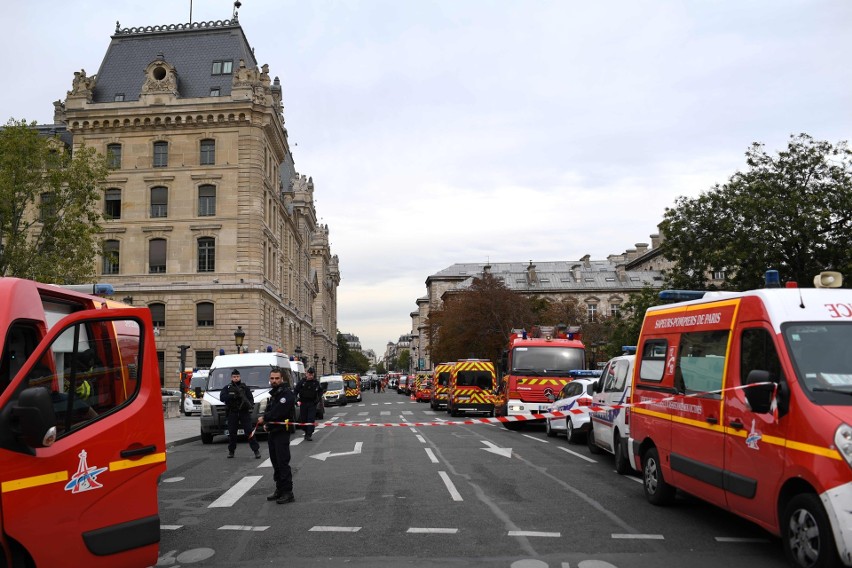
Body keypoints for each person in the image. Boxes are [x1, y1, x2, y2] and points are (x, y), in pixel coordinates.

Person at [257, 366, 295, 504]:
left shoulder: (286, 394)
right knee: (275, 462)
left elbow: (278, 412)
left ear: (282, 379)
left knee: (283, 462)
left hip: (282, 433)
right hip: (273, 432)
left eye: (277, 378)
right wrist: (268, 424)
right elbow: (271, 409)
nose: (274, 381)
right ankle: (279, 489)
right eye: (272, 378)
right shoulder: (275, 394)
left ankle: (288, 492)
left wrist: (264, 418)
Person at [219, 369, 261, 459]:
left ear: (240, 377)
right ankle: (231, 451)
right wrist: (232, 396)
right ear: (231, 378)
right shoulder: (227, 388)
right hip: (232, 412)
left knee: (249, 431)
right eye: (234, 377)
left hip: (243, 412)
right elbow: (222, 398)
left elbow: (251, 400)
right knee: (232, 433)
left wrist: (246, 404)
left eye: (237, 377)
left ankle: (256, 451)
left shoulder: (245, 388)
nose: (236, 378)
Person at [294, 366, 323, 441]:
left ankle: (309, 434)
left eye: (311, 374)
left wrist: (318, 399)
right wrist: (295, 399)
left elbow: (320, 391)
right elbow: (296, 390)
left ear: (313, 375)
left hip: (312, 403)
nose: (310, 376)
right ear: (306, 374)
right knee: (303, 419)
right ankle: (306, 431)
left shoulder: (316, 382)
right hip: (303, 403)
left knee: (311, 419)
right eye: (309, 374)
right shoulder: (302, 382)